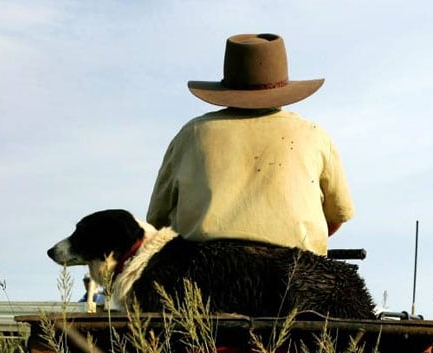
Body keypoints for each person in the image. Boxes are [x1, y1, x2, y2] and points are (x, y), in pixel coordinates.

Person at [146, 33, 355, 256]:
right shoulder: (314, 134)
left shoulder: (191, 134)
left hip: (203, 263)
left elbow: (157, 220)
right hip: (292, 263)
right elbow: (336, 217)